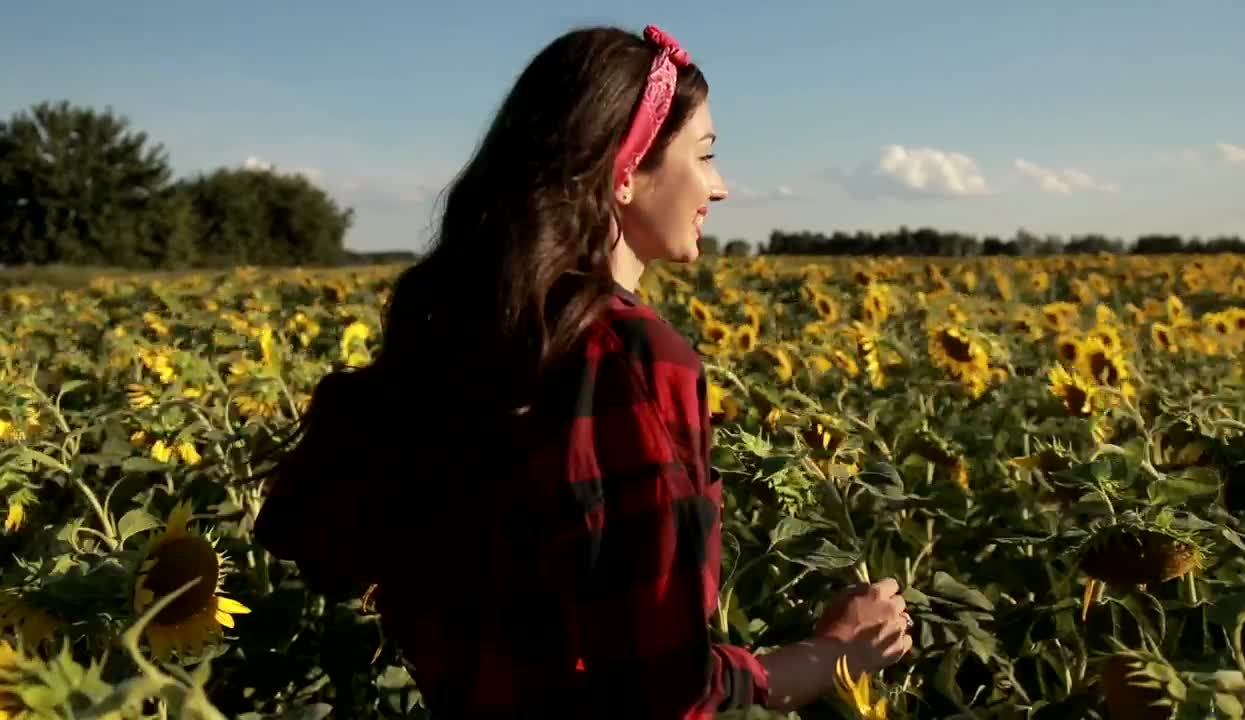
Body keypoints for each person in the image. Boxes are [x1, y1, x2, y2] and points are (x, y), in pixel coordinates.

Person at [253, 23, 911, 719]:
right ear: (624, 172)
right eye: (704, 154)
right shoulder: (628, 358)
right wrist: (832, 655)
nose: (718, 187)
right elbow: (664, 691)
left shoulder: (476, 334)